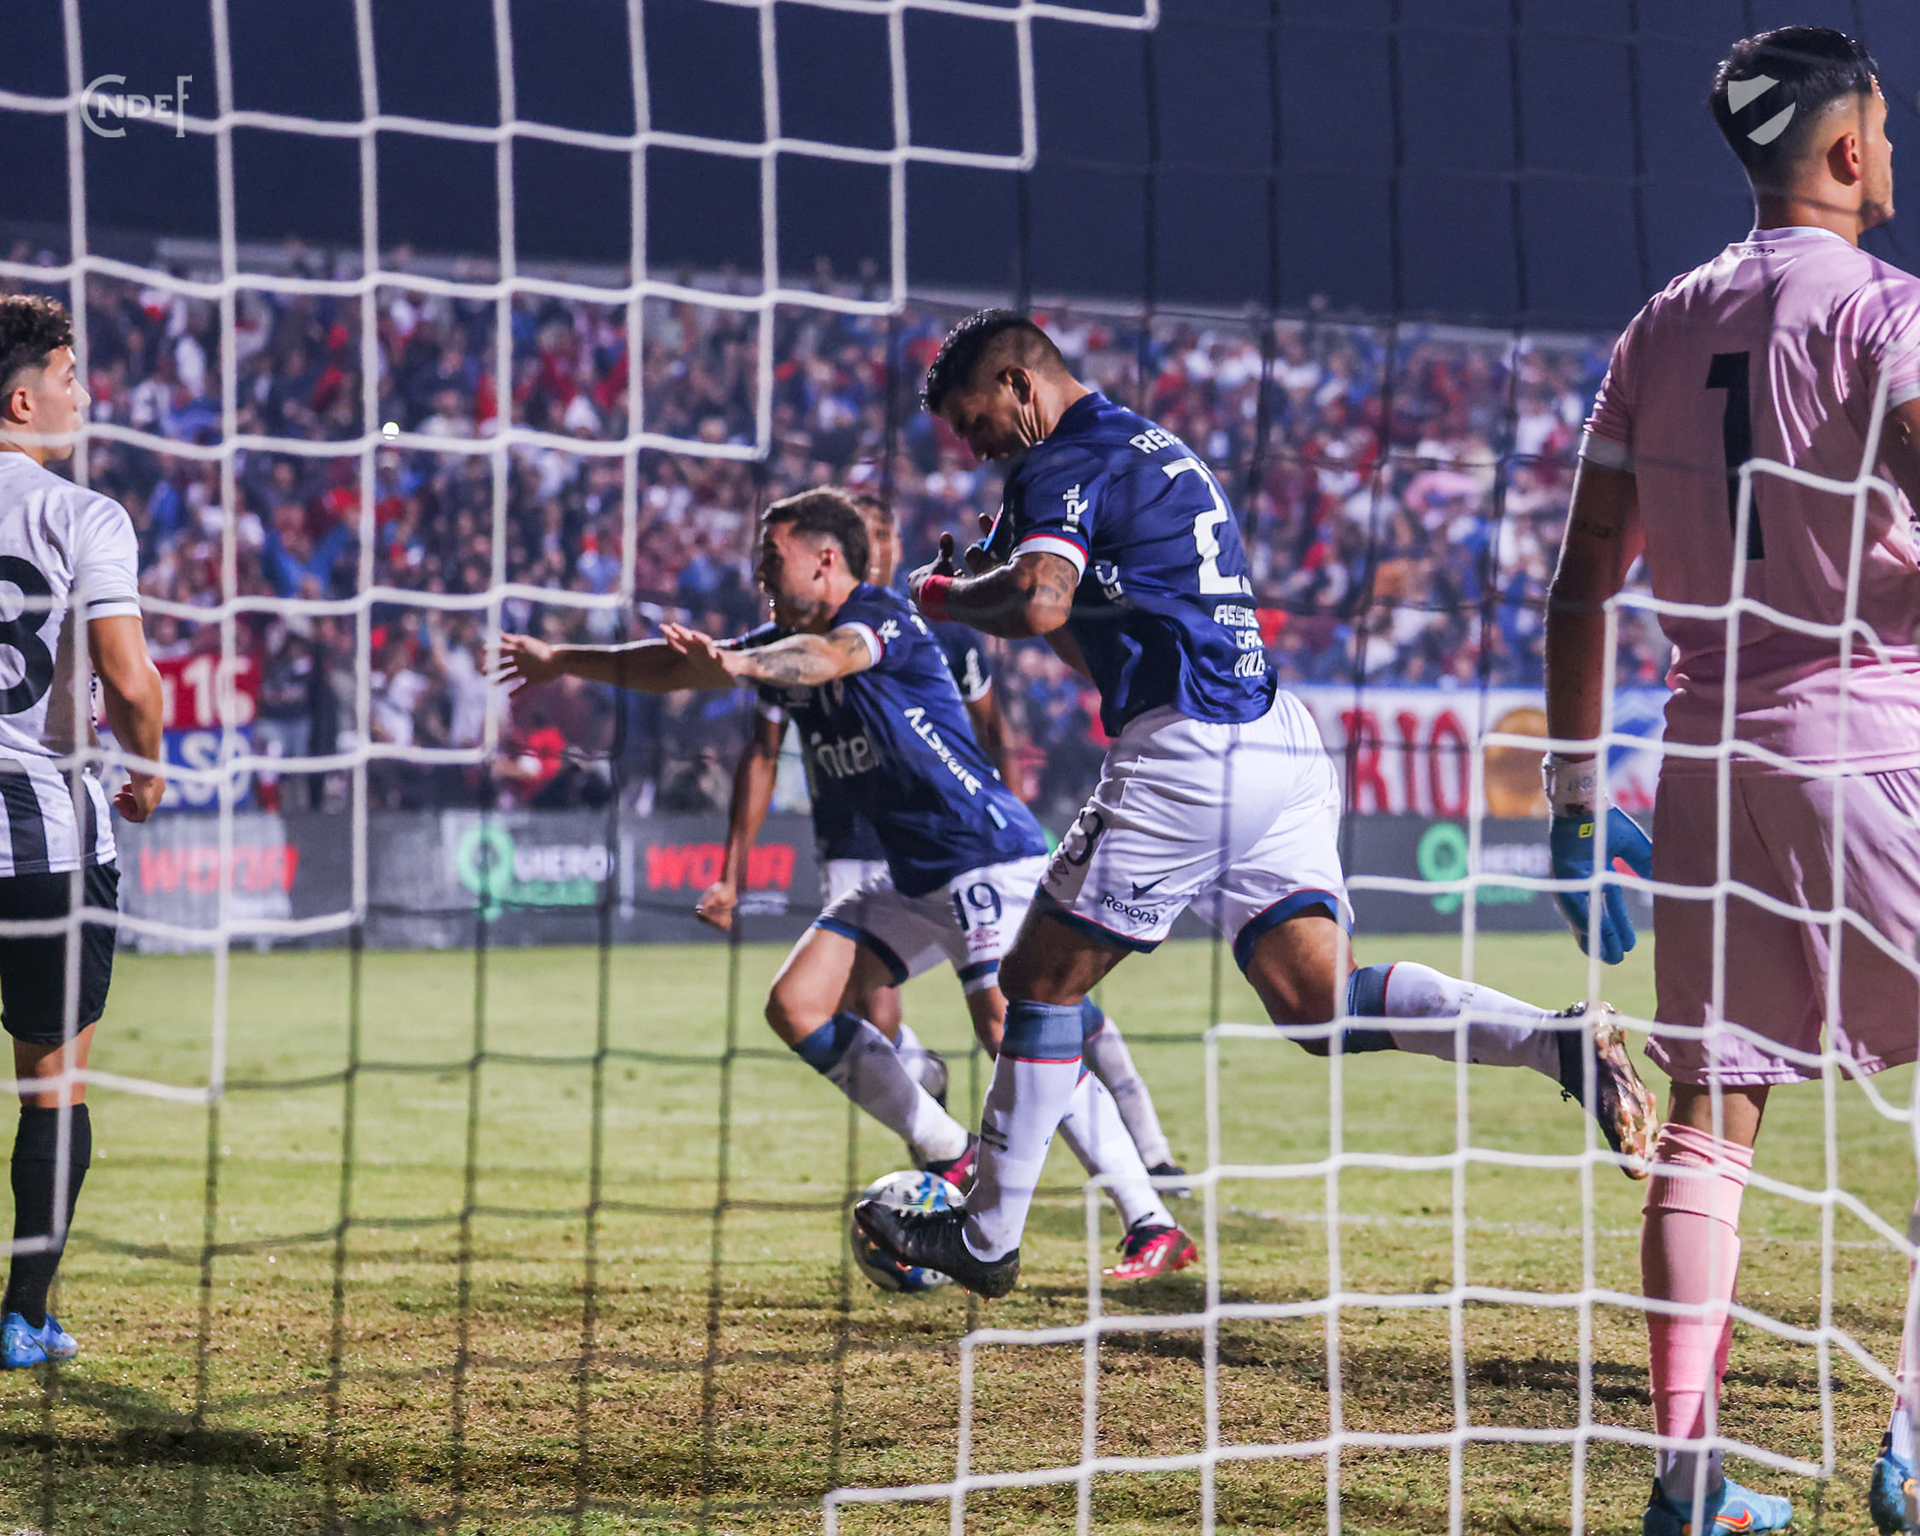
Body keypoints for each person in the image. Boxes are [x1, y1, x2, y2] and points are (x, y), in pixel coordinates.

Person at [853, 309, 1658, 1305]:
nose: (977, 449)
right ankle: (1557, 1041)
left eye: (976, 422)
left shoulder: (1061, 460)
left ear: (1018, 382)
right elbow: (1082, 634)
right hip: (1274, 736)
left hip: (1189, 751)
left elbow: (1042, 602)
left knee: (1036, 981)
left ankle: (985, 1238)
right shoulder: (1151, 447)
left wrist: (944, 596)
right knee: (1319, 1004)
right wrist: (999, 578)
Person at [1542, 28, 1920, 1536]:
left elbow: (1583, 576)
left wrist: (1577, 801)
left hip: (1704, 762)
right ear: (1847, 147)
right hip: (1872, 742)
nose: (1892, 154)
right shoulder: (1887, 308)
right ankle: (1914, 1441)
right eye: (1885, 128)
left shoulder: (1660, 322)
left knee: (1711, 1122)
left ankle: (1688, 1479)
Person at [498, 490, 1197, 1279]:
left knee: (1012, 1030)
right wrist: (563, 661)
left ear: (826, 560)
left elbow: (827, 659)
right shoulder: (779, 643)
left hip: (983, 857)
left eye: (773, 557)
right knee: (797, 1005)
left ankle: (1149, 1220)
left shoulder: (880, 617)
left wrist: (736, 663)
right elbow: (672, 666)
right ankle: (952, 1151)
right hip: (910, 874)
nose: (760, 573)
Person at [693, 490, 1191, 1188]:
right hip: (863, 841)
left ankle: (1145, 1160)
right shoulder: (794, 638)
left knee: (1034, 1011)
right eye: (869, 535)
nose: (880, 550)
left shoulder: (929, 629)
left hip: (968, 840)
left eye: (886, 536)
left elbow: (992, 728)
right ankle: (937, 1122)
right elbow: (763, 747)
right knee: (862, 1005)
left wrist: (1009, 819)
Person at [0, 295, 165, 1367]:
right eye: (68, 375)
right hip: (46, 848)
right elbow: (128, 677)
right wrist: (147, 769)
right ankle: (23, 1316)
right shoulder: (82, 514)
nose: (84, 393)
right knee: (52, 1084)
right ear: (22, 401)